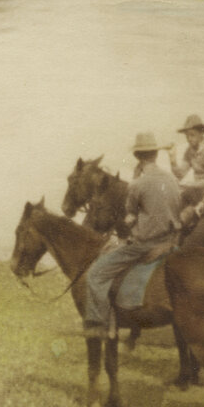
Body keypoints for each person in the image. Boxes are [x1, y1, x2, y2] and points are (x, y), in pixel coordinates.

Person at [83, 132, 181, 339]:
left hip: (145, 245)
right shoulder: (172, 180)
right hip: (170, 242)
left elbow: (130, 218)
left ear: (138, 157)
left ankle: (99, 325)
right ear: (155, 154)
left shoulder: (137, 184)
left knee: (95, 274)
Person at [168, 113, 204, 208]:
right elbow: (181, 174)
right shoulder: (190, 151)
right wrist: (172, 160)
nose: (189, 139)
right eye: (187, 136)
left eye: (192, 135)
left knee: (184, 213)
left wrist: (191, 185)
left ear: (201, 134)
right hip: (197, 191)